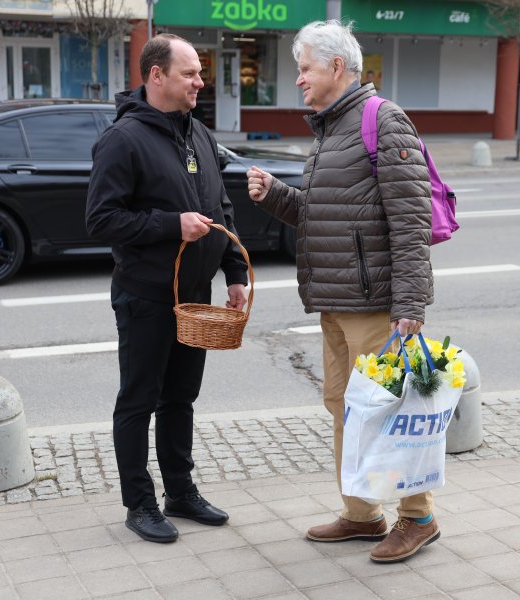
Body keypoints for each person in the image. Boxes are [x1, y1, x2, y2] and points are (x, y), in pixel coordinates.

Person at [246, 20, 436, 564]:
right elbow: (323, 216)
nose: (299, 79)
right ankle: (360, 515)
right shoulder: (331, 128)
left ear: (336, 66)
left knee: (387, 412)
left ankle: (418, 517)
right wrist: (277, 197)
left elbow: (410, 221)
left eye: (304, 68)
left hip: (376, 305)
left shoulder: (384, 120)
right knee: (345, 410)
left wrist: (410, 304)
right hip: (335, 300)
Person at [85, 33, 248, 544]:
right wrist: (169, 225)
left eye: (199, 73)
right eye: (190, 74)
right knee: (139, 400)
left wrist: (236, 272)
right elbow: (101, 220)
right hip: (147, 297)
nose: (201, 82)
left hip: (195, 298)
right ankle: (139, 504)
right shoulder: (123, 139)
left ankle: (180, 491)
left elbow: (221, 208)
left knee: (181, 398)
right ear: (156, 76)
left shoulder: (196, 132)